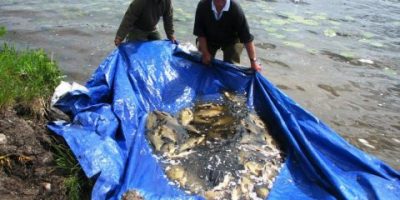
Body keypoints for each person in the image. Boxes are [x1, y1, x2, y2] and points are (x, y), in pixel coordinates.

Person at [193, 0, 262, 71]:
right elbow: (200, 32)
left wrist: (253, 62)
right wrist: (205, 53)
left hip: (232, 40)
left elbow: (246, 37)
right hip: (209, 37)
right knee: (202, 62)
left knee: (231, 66)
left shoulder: (235, 8)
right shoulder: (203, 5)